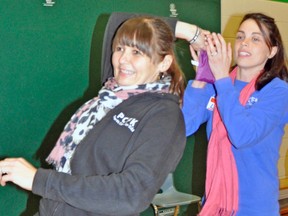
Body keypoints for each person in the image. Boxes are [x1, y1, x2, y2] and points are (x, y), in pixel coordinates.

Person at [0, 13, 209, 216]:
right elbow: (118, 22)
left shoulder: (165, 116)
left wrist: (39, 180)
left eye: (137, 52)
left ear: (164, 63)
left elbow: (132, 194)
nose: (123, 60)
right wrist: (192, 33)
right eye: (120, 48)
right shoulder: (113, 91)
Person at [183, 12, 288, 215]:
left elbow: (242, 136)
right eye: (240, 36)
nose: (244, 43)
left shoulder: (278, 91)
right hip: (215, 203)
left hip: (255, 208)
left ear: (272, 50)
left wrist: (221, 78)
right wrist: (201, 79)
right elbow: (185, 126)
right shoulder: (219, 83)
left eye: (255, 38)